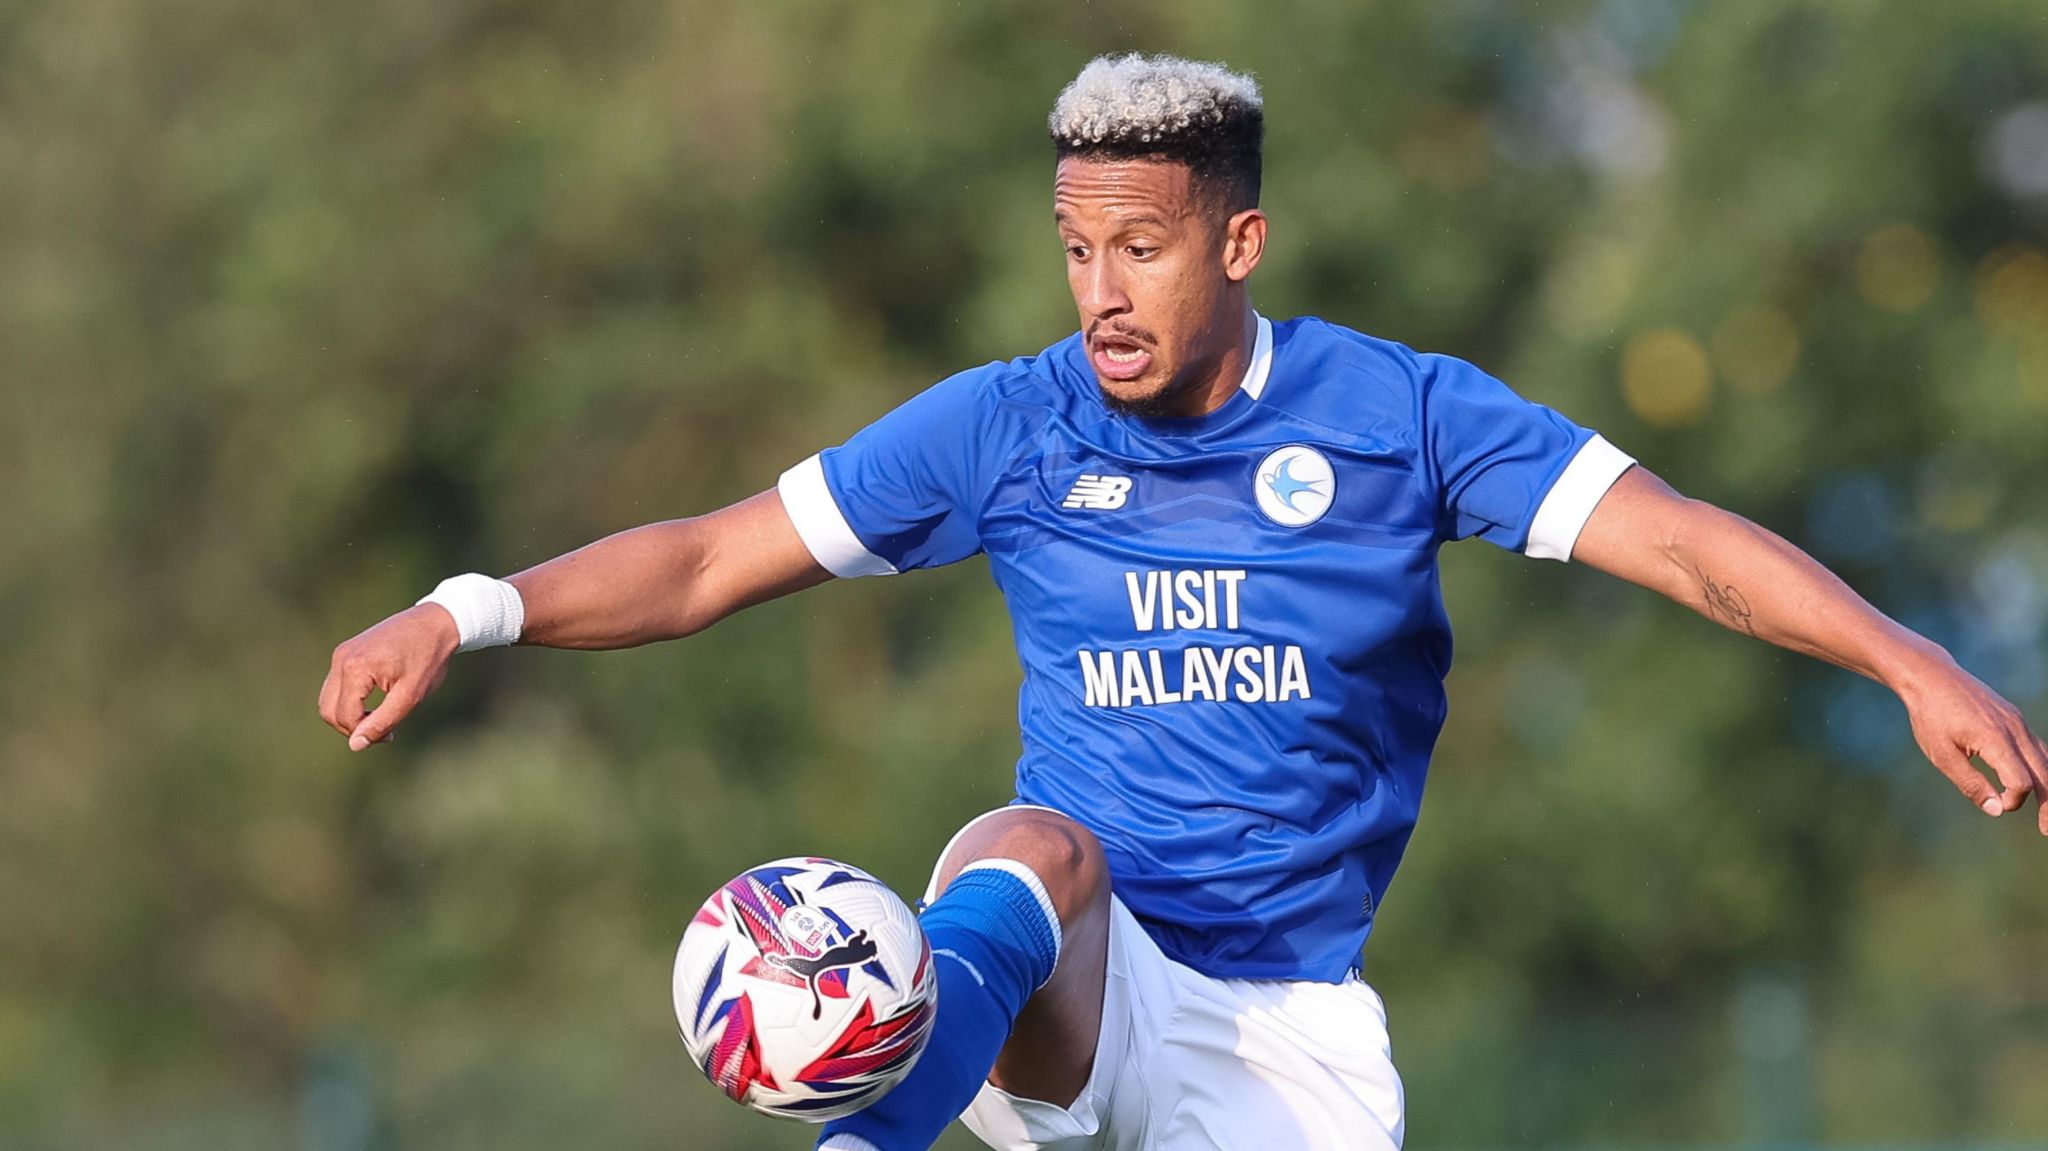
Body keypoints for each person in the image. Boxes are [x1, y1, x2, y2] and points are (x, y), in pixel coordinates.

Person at [318, 54, 2048, 1151]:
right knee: (1033, 850)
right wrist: (462, 613)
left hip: (1287, 1038)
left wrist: (1905, 660)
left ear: (1238, 243)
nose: (1099, 292)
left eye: (1138, 247)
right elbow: (703, 560)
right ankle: (878, 1130)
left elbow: (1675, 540)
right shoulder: (1008, 425)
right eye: (1076, 249)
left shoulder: (1405, 416)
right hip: (1077, 983)